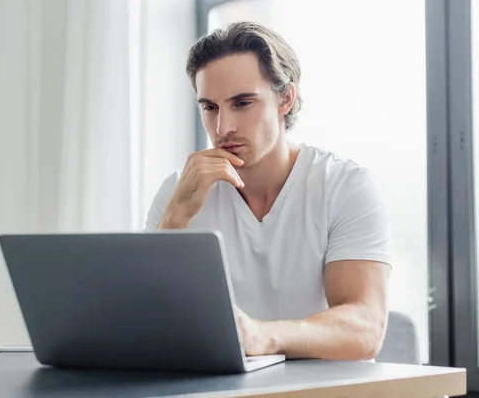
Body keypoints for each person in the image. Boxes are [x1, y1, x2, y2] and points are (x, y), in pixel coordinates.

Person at [144, 21, 392, 361]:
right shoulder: (178, 189)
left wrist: (265, 336)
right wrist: (176, 217)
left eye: (243, 103)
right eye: (210, 107)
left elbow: (364, 328)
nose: (222, 127)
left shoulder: (344, 186)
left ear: (286, 99)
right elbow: (148, 320)